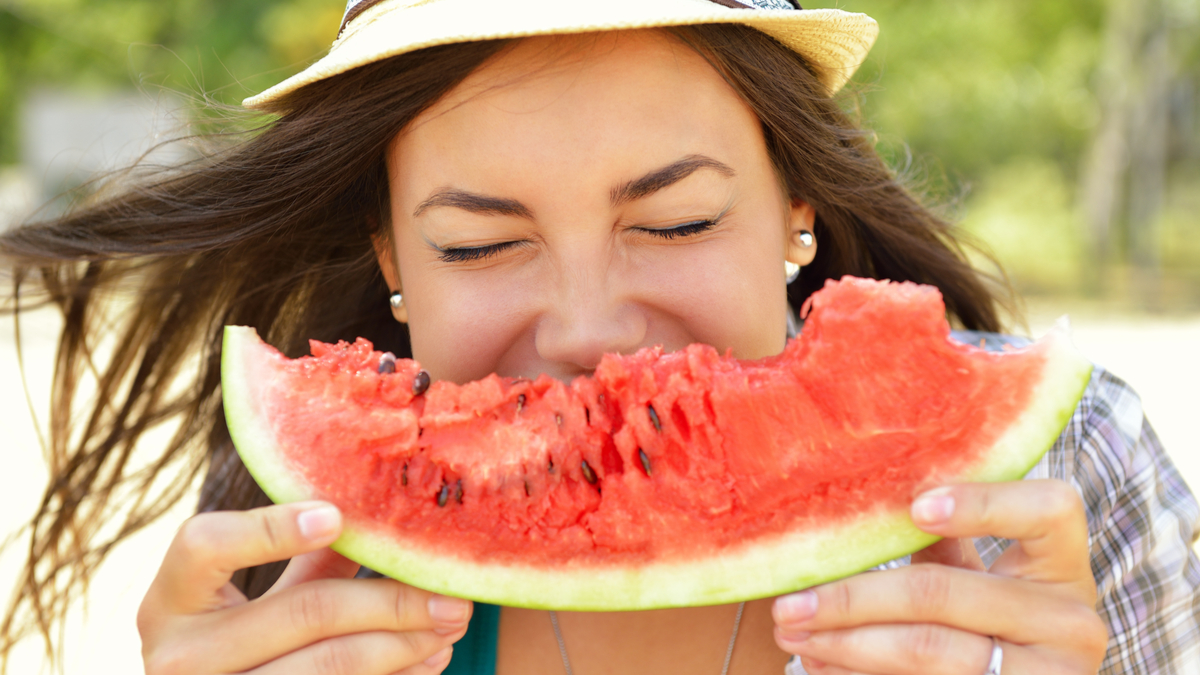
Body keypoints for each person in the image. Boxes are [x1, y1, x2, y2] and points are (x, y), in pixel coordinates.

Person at [1, 1, 1197, 673]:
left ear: (799, 206)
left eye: (675, 220)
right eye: (478, 245)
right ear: (390, 259)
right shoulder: (301, 551)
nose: (589, 334)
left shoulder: (1064, 465)